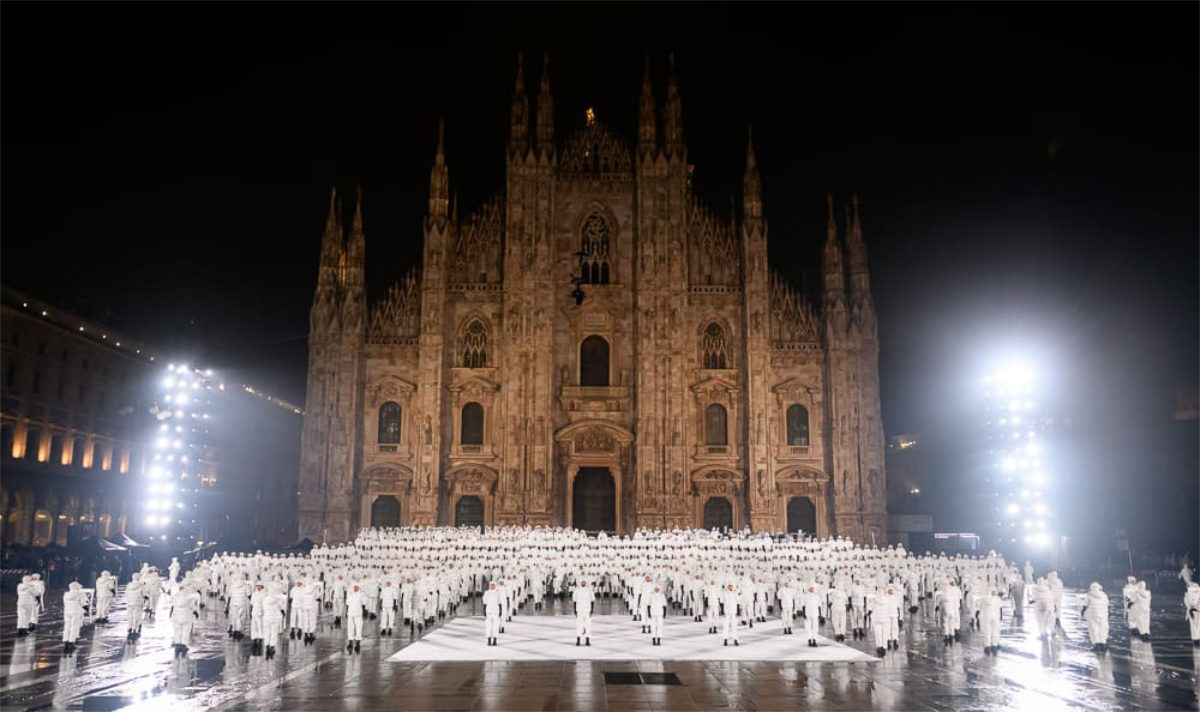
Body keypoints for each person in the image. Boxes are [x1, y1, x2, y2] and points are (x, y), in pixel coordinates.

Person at [171, 583, 201, 656]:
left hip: (176, 615)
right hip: (186, 615)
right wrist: (196, 612)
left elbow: (173, 605)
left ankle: (177, 644)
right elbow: (193, 606)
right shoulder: (189, 597)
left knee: (177, 630)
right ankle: (183, 645)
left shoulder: (175, 596)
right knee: (186, 630)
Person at [1081, 582, 1110, 653]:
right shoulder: (1104, 595)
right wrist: (1108, 613)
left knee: (1094, 629)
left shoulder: (1089, 595)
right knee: (1103, 629)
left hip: (1093, 615)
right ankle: (1103, 644)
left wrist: (1082, 611)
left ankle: (1097, 645)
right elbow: (1107, 604)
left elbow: (1086, 604)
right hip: (1103, 614)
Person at [263, 583, 288, 659]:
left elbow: (263, 608)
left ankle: (267, 646)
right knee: (273, 633)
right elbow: (281, 608)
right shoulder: (277, 600)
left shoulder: (265, 599)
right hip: (274, 618)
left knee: (267, 632)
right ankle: (272, 646)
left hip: (266, 618)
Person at [61, 582, 87, 654]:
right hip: (76, 612)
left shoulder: (66, 594)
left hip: (67, 612)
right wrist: (86, 609)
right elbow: (83, 604)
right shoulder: (80, 594)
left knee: (67, 627)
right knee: (74, 627)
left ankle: (65, 641)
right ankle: (71, 642)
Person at [978, 588, 1003, 655]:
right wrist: (1001, 617)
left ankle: (987, 646)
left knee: (987, 630)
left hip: (987, 616)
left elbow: (980, 607)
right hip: (996, 617)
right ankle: (994, 646)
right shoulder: (998, 599)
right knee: (995, 631)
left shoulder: (985, 598)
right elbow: (1000, 608)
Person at [573, 578, 594, 646]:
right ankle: (578, 639)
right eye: (582, 582)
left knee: (588, 625)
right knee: (579, 625)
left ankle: (587, 639)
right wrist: (575, 611)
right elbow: (574, 601)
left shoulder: (589, 590)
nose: (583, 583)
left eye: (584, 582)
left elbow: (592, 601)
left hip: (587, 610)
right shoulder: (577, 590)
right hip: (579, 610)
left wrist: (592, 611)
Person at [125, 576, 144, 642]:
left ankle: (129, 626)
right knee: (136, 615)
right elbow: (144, 594)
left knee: (130, 615)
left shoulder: (129, 585)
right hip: (138, 602)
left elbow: (126, 594)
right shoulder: (141, 585)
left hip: (130, 602)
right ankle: (135, 628)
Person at [249, 582, 267, 656]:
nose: (258, 587)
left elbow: (265, 605)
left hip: (261, 613)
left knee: (260, 627)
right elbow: (252, 604)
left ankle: (260, 640)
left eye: (259, 586)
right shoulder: (254, 594)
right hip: (254, 613)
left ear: (262, 586)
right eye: (257, 586)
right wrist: (251, 611)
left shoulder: (264, 594)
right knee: (254, 627)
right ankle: (254, 639)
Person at [482, 581, 502, 646]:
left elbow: (499, 603)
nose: (492, 586)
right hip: (489, 611)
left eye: (493, 585)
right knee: (488, 626)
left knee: (496, 626)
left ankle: (495, 640)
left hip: (496, 611)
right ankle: (489, 640)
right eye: (491, 585)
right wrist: (484, 611)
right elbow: (485, 602)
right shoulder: (486, 593)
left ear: (495, 585)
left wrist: (501, 611)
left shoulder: (498, 593)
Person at [721, 582, 740, 646]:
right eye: (729, 586)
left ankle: (735, 639)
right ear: (727, 586)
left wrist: (738, 611)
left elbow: (738, 602)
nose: (730, 587)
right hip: (727, 612)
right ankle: (725, 639)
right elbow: (722, 602)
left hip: (733, 612)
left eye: (731, 586)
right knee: (726, 626)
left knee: (734, 626)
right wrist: (722, 611)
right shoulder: (724, 592)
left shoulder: (735, 592)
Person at [1184, 582, 1200, 648]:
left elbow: (1187, 603)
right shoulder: (1190, 592)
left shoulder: (1189, 593)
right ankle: (1196, 638)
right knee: (1196, 624)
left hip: (1194, 609)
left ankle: (1196, 638)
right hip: (1194, 609)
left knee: (1195, 624)